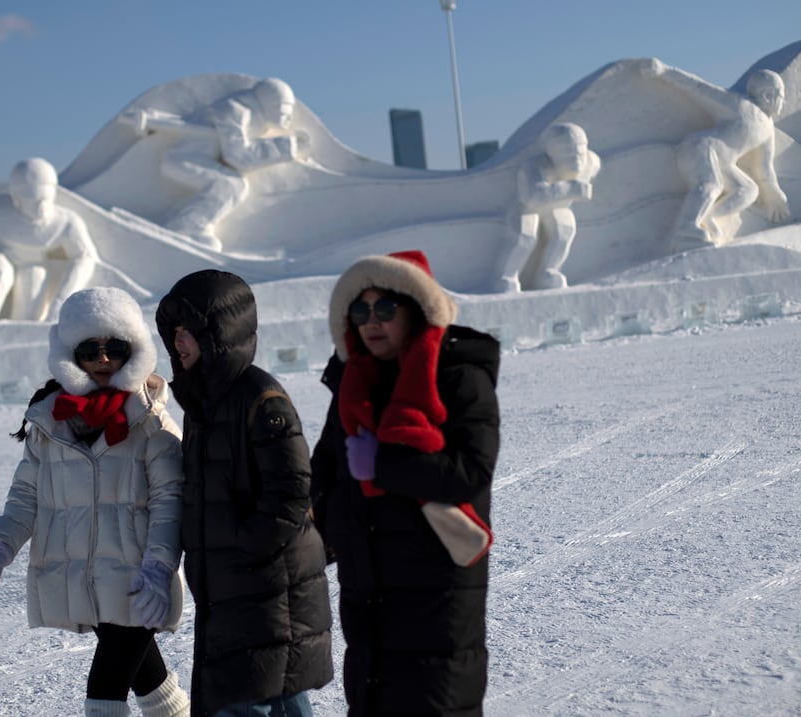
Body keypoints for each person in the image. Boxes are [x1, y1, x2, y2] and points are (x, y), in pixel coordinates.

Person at [0, 287, 190, 717]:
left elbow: (171, 500)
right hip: (90, 581)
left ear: (134, 351)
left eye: (116, 348)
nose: (104, 359)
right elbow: (25, 497)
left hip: (137, 580)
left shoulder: (151, 421)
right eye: (91, 349)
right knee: (149, 681)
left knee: (104, 694)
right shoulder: (49, 422)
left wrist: (159, 566)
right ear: (72, 354)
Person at [310, 250, 501, 716]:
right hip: (368, 591)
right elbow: (324, 479)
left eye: (385, 308)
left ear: (415, 309)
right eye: (360, 310)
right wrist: (328, 539)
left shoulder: (459, 378)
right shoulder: (352, 385)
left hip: (436, 591)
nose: (372, 321)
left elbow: (470, 473)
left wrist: (384, 466)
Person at [153, 269, 333, 716]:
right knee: (273, 690)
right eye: (174, 332)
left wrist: (244, 545)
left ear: (219, 333)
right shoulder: (202, 402)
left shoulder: (259, 395)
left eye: (189, 331)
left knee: (250, 695)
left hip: (265, 583)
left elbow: (293, 490)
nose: (178, 342)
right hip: (233, 586)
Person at [120, 78, 311, 251]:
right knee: (229, 185)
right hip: (184, 159)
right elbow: (239, 156)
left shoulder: (249, 114)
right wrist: (287, 146)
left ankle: (179, 221)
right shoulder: (234, 111)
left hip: (196, 158)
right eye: (284, 107)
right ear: (270, 103)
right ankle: (186, 227)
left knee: (231, 184)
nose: (287, 115)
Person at [638, 57, 791, 251]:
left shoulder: (767, 128)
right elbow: (698, 88)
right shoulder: (741, 106)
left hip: (723, 163)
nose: (783, 102)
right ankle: (686, 228)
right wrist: (664, 71)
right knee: (712, 185)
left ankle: (708, 217)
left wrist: (774, 194)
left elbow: (763, 167)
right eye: (781, 96)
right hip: (701, 148)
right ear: (768, 95)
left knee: (749, 190)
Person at [0, 157, 98, 325]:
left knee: (34, 288)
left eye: (44, 200)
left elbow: (85, 257)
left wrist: (60, 302)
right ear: (16, 197)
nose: (39, 208)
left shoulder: (65, 222)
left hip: (32, 264)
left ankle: (16, 338)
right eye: (31, 200)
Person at [498, 122, 601, 292]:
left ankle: (548, 271)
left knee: (564, 229)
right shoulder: (535, 166)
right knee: (526, 237)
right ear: (553, 155)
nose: (576, 159)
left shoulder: (591, 163)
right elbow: (534, 196)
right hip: (527, 210)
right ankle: (507, 276)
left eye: (580, 152)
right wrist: (571, 188)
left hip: (557, 207)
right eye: (567, 152)